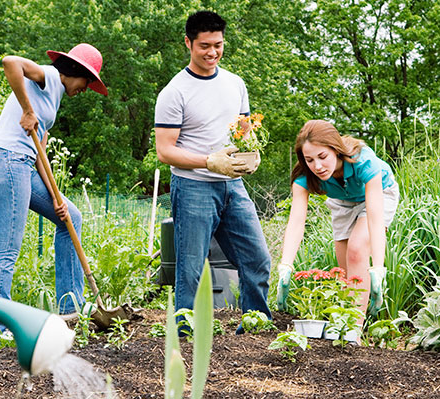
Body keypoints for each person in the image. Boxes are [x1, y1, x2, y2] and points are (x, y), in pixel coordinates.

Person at [0, 43, 108, 349]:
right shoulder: (49, 76)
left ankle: (69, 309)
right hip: (7, 160)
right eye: (87, 82)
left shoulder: (55, 97)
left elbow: (40, 153)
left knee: (70, 218)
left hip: (23, 164)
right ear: (75, 72)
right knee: (6, 248)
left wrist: (56, 196)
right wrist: (26, 109)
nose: (86, 89)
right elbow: (9, 61)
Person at [154, 10, 271, 329]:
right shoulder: (174, 92)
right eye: (205, 45)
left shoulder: (235, 84)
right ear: (188, 43)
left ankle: (255, 326)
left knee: (257, 259)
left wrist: (252, 153)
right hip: (193, 188)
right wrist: (208, 161)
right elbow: (165, 151)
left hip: (232, 185)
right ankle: (185, 332)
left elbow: (245, 130)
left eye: (218, 45)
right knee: (190, 269)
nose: (212, 52)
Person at [276, 120, 400, 320]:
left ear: (336, 150)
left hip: (380, 193)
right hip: (342, 201)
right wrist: (286, 265)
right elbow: (297, 222)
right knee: (345, 271)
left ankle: (354, 335)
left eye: (323, 156)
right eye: (309, 159)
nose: (317, 166)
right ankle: (345, 329)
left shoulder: (363, 160)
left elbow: (375, 218)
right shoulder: (304, 176)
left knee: (357, 248)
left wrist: (378, 267)